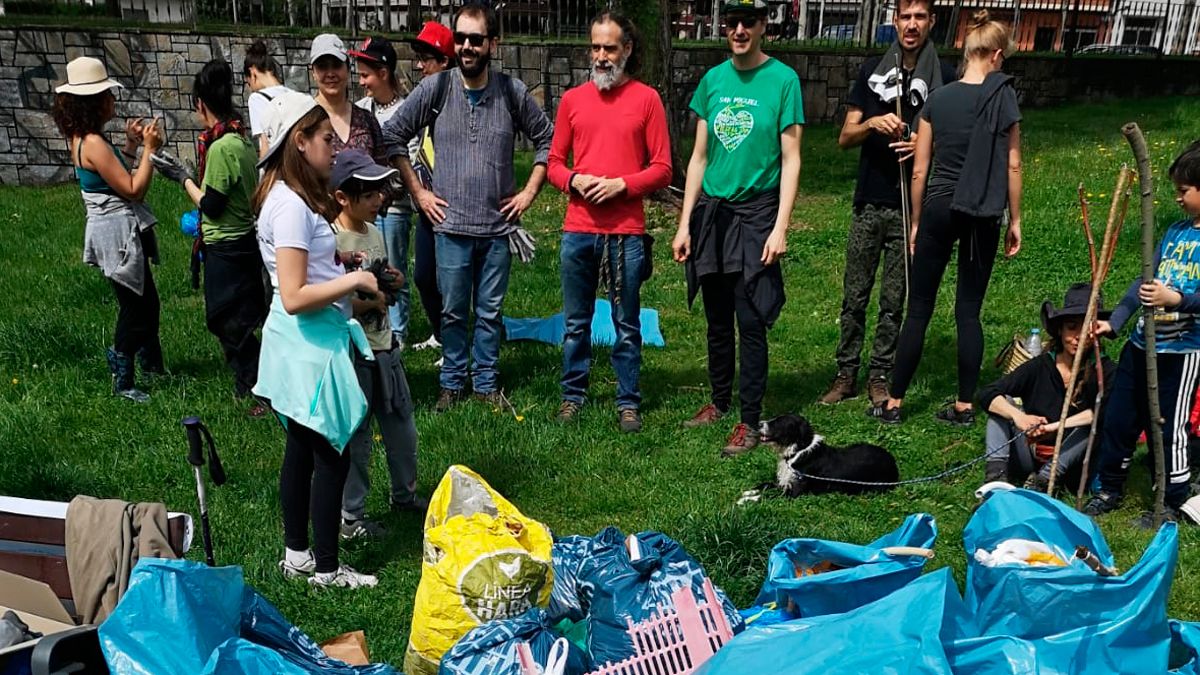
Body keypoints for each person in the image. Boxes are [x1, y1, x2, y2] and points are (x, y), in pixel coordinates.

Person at [382, 2, 555, 412]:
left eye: (476, 39)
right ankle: (452, 382)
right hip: (451, 228)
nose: (467, 47)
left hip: (497, 229)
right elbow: (392, 135)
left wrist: (529, 192)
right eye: (461, 38)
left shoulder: (511, 92)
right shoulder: (435, 89)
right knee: (454, 312)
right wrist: (419, 193)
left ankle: (487, 383)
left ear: (493, 43)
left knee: (490, 314)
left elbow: (549, 138)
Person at [251, 90, 382, 589]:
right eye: (328, 138)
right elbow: (293, 293)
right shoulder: (288, 206)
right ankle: (327, 568)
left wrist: (337, 265)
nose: (335, 146)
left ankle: (298, 556)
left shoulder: (289, 198)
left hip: (303, 343)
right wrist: (354, 281)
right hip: (308, 346)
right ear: (299, 141)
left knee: (302, 451)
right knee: (331, 451)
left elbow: (301, 273)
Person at [874, 10, 1022, 426]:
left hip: (939, 204)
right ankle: (963, 405)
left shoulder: (938, 99)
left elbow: (920, 168)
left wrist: (917, 221)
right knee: (968, 310)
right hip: (981, 211)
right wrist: (1015, 220)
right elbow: (1013, 165)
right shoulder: (1004, 97)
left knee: (918, 307)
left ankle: (895, 402)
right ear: (995, 55)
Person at [671, 0, 804, 456]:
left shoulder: (784, 80)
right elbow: (700, 158)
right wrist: (685, 222)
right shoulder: (713, 81)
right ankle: (719, 400)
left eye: (749, 22)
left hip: (757, 215)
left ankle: (749, 421)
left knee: (751, 321)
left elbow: (791, 159)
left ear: (764, 26)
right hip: (714, 214)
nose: (740, 30)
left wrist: (780, 226)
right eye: (733, 23)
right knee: (716, 319)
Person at [820, 0, 956, 407]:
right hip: (870, 200)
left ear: (931, 22)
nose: (911, 25)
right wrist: (871, 124)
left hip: (910, 206)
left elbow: (951, 141)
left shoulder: (944, 78)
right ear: (894, 22)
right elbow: (845, 137)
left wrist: (922, 143)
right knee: (855, 294)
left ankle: (880, 374)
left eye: (919, 17)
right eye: (904, 17)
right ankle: (846, 372)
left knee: (894, 298)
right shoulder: (872, 72)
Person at [547, 11, 672, 433]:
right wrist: (574, 179)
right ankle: (572, 394)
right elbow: (552, 165)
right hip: (578, 227)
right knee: (575, 321)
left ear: (627, 50)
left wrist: (622, 184)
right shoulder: (572, 101)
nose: (601, 56)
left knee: (626, 322)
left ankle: (628, 400)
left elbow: (663, 169)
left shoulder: (647, 99)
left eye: (610, 48)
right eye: (596, 48)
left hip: (625, 231)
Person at [1086, 141, 1200, 525]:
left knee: (1169, 424)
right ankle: (1109, 487)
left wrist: (1177, 299)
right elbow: (1143, 281)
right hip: (1141, 343)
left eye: (1184, 191)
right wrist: (1115, 321)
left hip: (1182, 350)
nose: (1178, 198)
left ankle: (1173, 497)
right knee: (1120, 417)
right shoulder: (1173, 233)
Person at [154, 59, 267, 415]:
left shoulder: (221, 148)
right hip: (243, 242)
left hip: (228, 245)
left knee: (226, 321)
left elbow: (213, 204)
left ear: (201, 104)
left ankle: (258, 387)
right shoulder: (241, 139)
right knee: (235, 320)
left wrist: (182, 178)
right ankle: (247, 384)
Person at [52, 57, 164, 403]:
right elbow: (132, 189)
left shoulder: (83, 139)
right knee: (136, 308)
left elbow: (114, 178)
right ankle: (123, 376)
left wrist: (130, 147)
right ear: (94, 102)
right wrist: (149, 150)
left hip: (113, 232)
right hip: (118, 237)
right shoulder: (94, 144)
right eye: (108, 95)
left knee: (146, 303)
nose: (113, 100)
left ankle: (151, 365)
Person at [329, 150, 426, 539]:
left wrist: (394, 283)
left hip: (387, 347)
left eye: (380, 192)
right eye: (369, 195)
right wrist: (370, 300)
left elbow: (382, 280)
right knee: (359, 438)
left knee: (403, 428)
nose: (379, 200)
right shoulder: (332, 238)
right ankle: (351, 515)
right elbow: (331, 298)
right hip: (356, 353)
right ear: (342, 198)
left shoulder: (374, 232)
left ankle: (405, 494)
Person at [978, 284, 1113, 491]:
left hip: (1073, 466)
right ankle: (996, 476)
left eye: (1088, 328)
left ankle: (1046, 479)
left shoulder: (1105, 370)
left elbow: (1102, 412)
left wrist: (1052, 427)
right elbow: (988, 393)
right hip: (1030, 455)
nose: (1079, 336)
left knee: (1095, 425)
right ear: (1060, 330)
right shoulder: (1041, 365)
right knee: (1002, 403)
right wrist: (1020, 418)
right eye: (1071, 327)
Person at [350, 36, 414, 345]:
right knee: (365, 265)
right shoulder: (361, 110)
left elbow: (410, 165)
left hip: (395, 208)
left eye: (366, 75)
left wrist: (383, 197)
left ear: (384, 73)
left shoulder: (407, 109)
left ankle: (398, 329)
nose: (361, 82)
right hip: (362, 208)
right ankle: (369, 320)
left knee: (393, 267)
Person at [406, 21, 456, 355]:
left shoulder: (456, 100)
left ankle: (455, 344)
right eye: (419, 58)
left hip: (453, 209)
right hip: (426, 206)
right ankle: (440, 332)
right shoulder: (425, 98)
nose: (420, 65)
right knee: (424, 275)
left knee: (452, 283)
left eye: (427, 58)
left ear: (445, 62)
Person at [310, 33, 397, 168]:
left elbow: (383, 174)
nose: (330, 73)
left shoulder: (367, 120)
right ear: (313, 73)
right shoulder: (304, 119)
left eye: (336, 65)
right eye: (322, 67)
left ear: (348, 69)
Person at [243, 40, 291, 159]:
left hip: (277, 169)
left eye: (249, 83)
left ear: (253, 74)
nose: (251, 88)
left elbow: (265, 143)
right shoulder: (292, 94)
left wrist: (263, 176)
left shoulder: (257, 99)